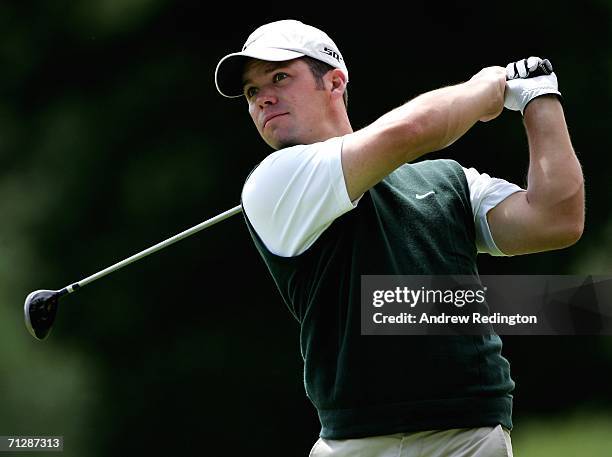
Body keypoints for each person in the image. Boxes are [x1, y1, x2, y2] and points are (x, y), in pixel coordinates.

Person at [214, 19, 584, 457]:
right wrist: (484, 90)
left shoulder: (448, 182)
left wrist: (540, 99)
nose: (263, 99)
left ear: (334, 82)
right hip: (356, 444)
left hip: (467, 435)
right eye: (253, 92)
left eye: (279, 77)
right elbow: (408, 133)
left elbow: (556, 219)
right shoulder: (273, 182)